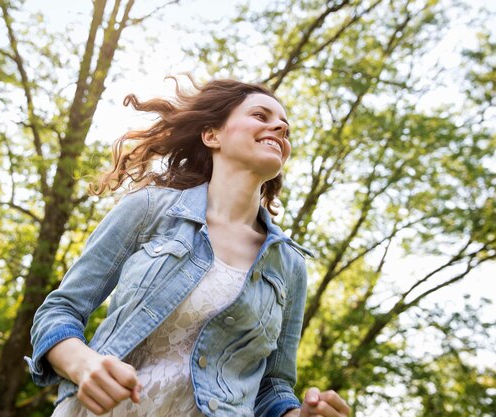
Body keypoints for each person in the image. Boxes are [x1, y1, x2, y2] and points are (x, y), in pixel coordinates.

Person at [26, 76, 350, 417]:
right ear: (212, 135)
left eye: (284, 126)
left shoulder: (289, 265)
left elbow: (272, 387)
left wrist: (299, 414)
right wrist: (84, 365)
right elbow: (59, 311)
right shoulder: (150, 210)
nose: (280, 127)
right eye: (261, 115)